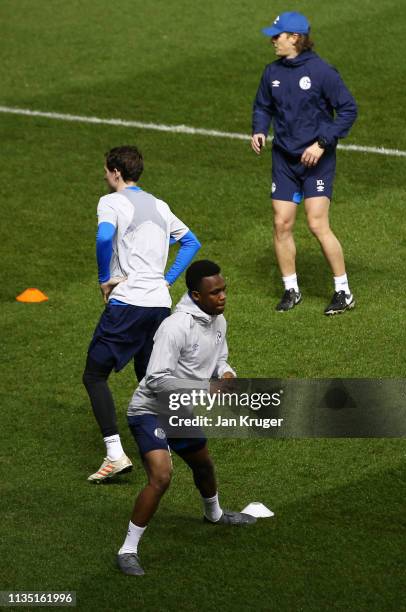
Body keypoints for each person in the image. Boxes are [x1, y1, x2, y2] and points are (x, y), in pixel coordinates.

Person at [117, 260, 256, 576]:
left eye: (223, 290)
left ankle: (215, 514)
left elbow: (220, 358)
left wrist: (227, 372)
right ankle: (127, 550)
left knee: (203, 465)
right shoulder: (175, 327)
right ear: (195, 295)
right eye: (215, 292)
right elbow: (156, 380)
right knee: (162, 476)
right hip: (149, 410)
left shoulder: (217, 321)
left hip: (179, 409)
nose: (222, 297)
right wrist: (206, 387)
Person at [83, 146, 201, 483]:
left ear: (117, 173)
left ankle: (115, 454)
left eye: (106, 172)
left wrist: (105, 280)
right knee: (149, 373)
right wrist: (166, 280)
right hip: (159, 304)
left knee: (94, 375)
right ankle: (177, 440)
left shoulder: (111, 202)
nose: (105, 177)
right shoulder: (160, 205)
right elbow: (191, 242)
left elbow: (105, 236)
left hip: (129, 302)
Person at [251, 12, 358, 315]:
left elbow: (348, 110)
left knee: (315, 222)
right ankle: (291, 289)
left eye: (278, 35)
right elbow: (263, 106)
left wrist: (322, 143)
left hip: (316, 160)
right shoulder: (271, 72)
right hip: (284, 158)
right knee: (281, 222)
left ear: (295, 38)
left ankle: (343, 291)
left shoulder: (322, 72)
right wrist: (259, 129)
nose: (273, 40)